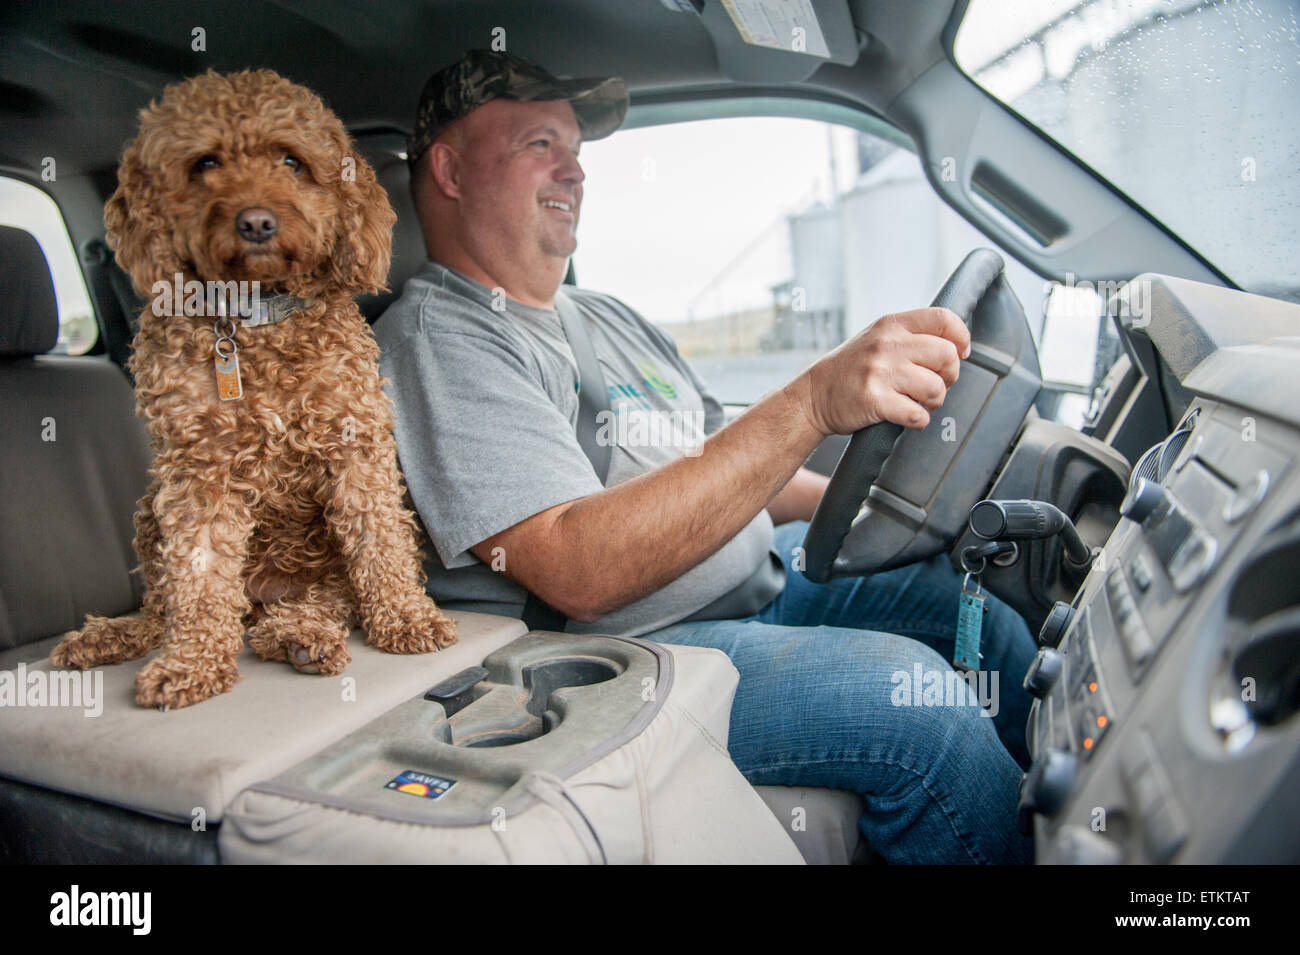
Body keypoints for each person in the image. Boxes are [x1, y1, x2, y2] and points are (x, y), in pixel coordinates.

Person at [374, 49, 1037, 864]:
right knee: (921, 705)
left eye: (575, 148)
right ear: (447, 168)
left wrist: (862, 510)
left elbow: (728, 465)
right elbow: (579, 567)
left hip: (759, 579)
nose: (573, 169)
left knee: (972, 604)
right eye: (540, 143)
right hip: (634, 654)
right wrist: (813, 399)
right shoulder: (439, 340)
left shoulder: (607, 315)